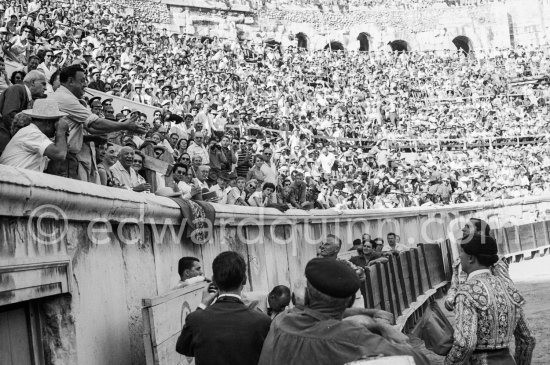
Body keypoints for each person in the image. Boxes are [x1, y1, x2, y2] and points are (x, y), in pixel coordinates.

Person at [258, 258, 430, 365]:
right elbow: (420, 361)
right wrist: (385, 330)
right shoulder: (356, 338)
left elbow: (317, 315)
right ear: (350, 300)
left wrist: (370, 317)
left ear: (308, 295)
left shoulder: (282, 322)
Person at [444, 234, 536, 365]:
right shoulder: (508, 288)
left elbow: (464, 344)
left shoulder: (466, 292)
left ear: (471, 258)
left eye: (461, 253)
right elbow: (528, 338)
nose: (460, 257)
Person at [46, 65, 146, 181]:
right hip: (62, 158)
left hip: (67, 158)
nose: (85, 85)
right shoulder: (65, 98)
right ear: (70, 81)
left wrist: (120, 128)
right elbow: (95, 124)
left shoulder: (67, 97)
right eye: (82, 81)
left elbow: (92, 129)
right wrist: (124, 125)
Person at [176, 251, 271, 365]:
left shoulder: (196, 319)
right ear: (244, 280)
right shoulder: (263, 321)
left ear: (214, 281)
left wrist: (203, 304)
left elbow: (183, 348)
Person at [0, 100, 68, 172]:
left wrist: (63, 138)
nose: (55, 129)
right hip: (11, 180)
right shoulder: (31, 133)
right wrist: (61, 130)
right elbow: (60, 155)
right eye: (56, 125)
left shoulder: (36, 136)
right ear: (48, 123)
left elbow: (53, 169)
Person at [0, 70, 47, 155]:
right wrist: (28, 136)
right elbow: (9, 115)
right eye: (43, 84)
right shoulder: (17, 88)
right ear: (33, 82)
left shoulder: (29, 97)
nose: (46, 88)